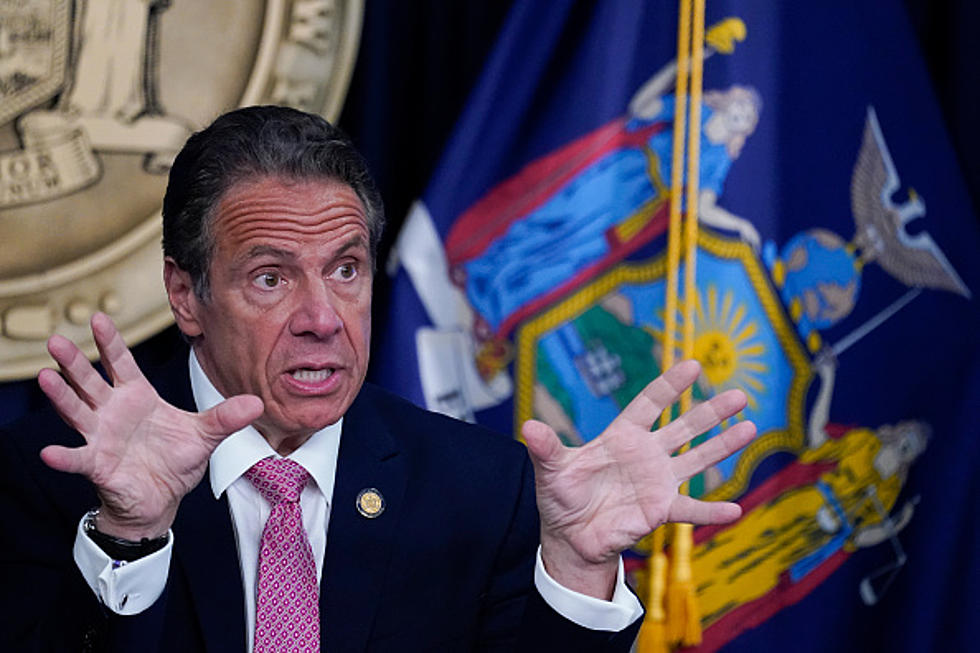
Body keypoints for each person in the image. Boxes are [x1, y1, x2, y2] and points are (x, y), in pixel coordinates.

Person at [0, 106, 755, 652]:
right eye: (271, 277)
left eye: (346, 268)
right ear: (185, 293)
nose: (323, 317)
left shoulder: (482, 486)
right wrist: (129, 536)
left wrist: (578, 571)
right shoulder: (59, 476)